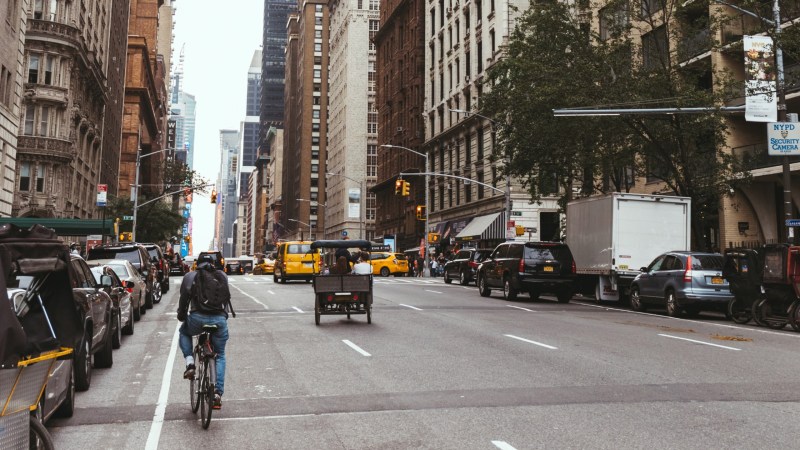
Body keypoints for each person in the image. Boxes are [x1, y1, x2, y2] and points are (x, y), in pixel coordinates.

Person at [177, 254, 235, 410]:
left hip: (197, 319)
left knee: (184, 332)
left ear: (197, 264)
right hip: (219, 321)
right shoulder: (221, 275)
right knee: (220, 354)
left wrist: (182, 316)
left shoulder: (191, 276)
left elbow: (184, 298)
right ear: (213, 264)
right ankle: (217, 393)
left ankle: (190, 364)